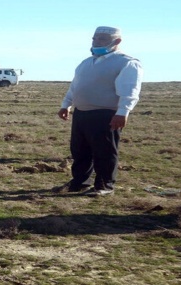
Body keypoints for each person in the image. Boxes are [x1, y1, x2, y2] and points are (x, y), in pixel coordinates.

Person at [55, 26, 143, 196]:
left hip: (106, 114)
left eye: (101, 39)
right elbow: (75, 86)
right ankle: (80, 182)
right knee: (80, 150)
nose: (96, 42)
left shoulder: (126, 62)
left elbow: (129, 90)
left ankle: (104, 185)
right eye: (94, 38)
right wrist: (66, 104)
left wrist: (123, 112)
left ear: (117, 41)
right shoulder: (86, 63)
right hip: (81, 113)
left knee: (105, 151)